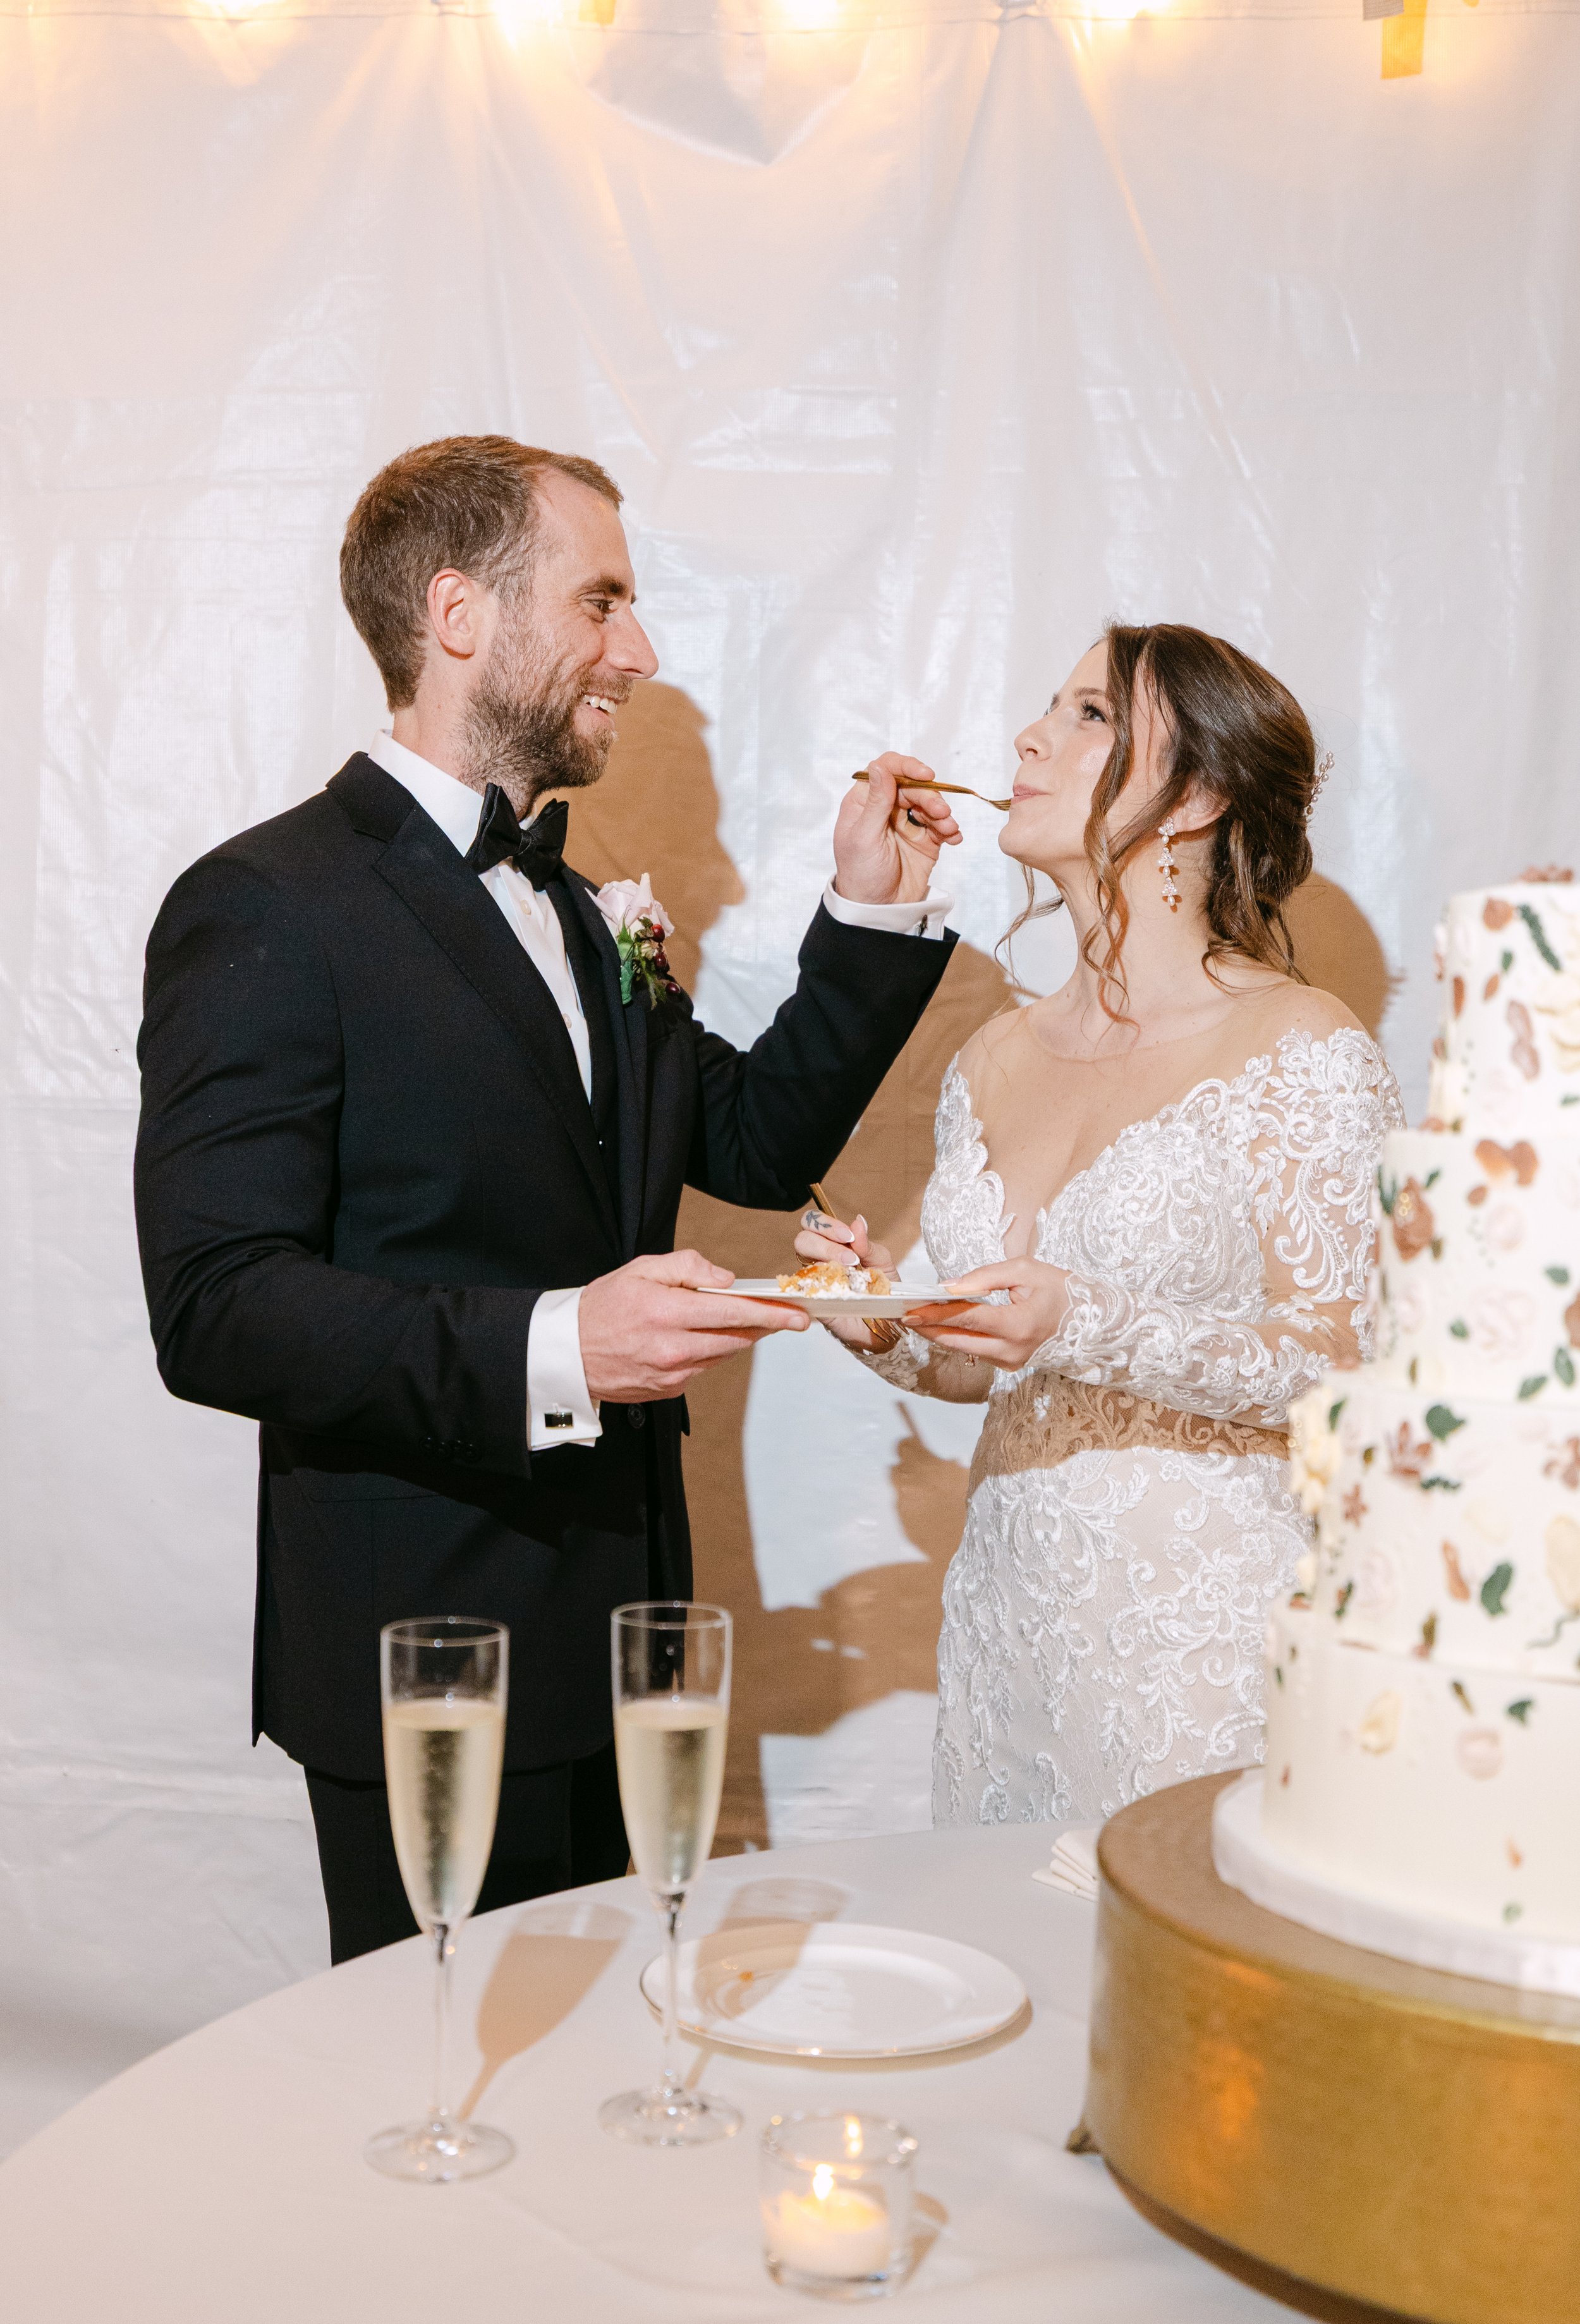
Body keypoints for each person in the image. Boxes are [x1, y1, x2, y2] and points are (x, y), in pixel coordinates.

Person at [134, 435, 962, 1959]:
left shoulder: (593, 915)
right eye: (602, 603)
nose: (635, 652)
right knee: (452, 2088)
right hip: (427, 1656)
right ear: (459, 616)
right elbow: (216, 1308)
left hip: (634, 1641)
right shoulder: (264, 906)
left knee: (613, 2097)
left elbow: (755, 1146)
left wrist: (868, 913)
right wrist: (559, 1346)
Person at [798, 623, 1404, 1827]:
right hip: (1008, 1623)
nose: (1030, 736)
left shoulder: (1305, 1049)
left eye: (1088, 715)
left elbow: (1346, 1374)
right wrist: (887, 1320)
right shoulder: (992, 1055)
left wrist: (1092, 1318)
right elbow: (991, 1357)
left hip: (1198, 1643)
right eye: (1052, 707)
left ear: (1200, 797)